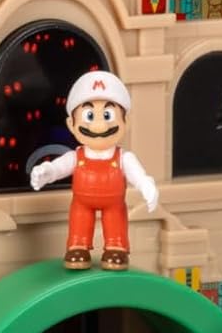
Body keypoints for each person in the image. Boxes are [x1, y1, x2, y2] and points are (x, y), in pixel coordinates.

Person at [29, 69, 159, 270]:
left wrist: (146, 186)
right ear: (71, 124)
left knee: (115, 221)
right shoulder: (76, 156)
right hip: (82, 202)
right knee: (79, 222)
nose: (99, 126)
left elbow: (138, 175)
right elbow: (58, 167)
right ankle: (78, 246)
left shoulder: (123, 158)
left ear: (126, 122)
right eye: (89, 115)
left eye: (108, 115)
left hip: (114, 203)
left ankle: (116, 247)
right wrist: (47, 172)